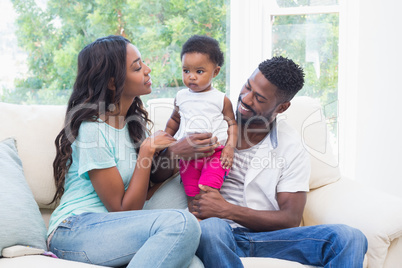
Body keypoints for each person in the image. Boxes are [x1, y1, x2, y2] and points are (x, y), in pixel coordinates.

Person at [187, 56, 368, 267]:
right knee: (211, 229)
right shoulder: (213, 120)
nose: (245, 98)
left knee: (349, 238)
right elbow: (160, 175)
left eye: (259, 98)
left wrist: (226, 209)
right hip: (217, 235)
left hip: (268, 240)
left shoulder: (291, 147)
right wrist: (174, 151)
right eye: (247, 87)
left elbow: (290, 218)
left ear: (282, 107)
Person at [47, 35, 201, 268]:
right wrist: (147, 151)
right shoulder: (92, 130)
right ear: (112, 82)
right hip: (74, 231)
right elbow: (121, 209)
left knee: (194, 263)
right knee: (182, 224)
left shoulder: (131, 126)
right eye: (137, 67)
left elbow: (141, 194)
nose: (148, 70)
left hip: (114, 231)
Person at [164, 35, 237, 209]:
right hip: (188, 156)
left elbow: (232, 125)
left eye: (199, 71)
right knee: (191, 194)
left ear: (216, 72)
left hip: (215, 153)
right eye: (186, 70)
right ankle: (196, 223)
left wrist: (230, 148)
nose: (191, 77)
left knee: (208, 188)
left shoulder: (221, 99)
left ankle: (211, 219)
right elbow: (175, 119)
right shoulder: (181, 96)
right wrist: (166, 138)